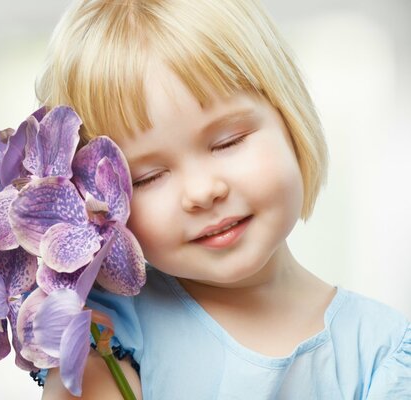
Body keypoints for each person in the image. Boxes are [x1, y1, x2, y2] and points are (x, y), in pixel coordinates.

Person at [31, 0, 411, 398]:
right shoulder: (105, 329)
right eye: (149, 177)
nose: (201, 192)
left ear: (290, 116)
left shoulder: (379, 352)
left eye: (228, 141)